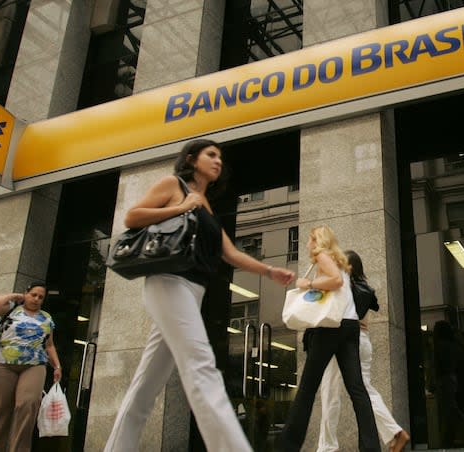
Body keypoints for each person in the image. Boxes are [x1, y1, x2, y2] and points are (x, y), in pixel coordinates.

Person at [104, 138, 295, 451]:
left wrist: (269, 272)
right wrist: (180, 207)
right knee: (202, 365)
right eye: (211, 154)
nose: (218, 161)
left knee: (146, 385)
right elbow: (132, 217)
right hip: (168, 281)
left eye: (220, 157)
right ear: (191, 159)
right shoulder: (174, 185)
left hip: (191, 293)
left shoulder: (206, 206)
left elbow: (230, 253)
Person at [280, 226, 380, 452]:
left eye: (309, 239)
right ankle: (371, 448)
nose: (307, 243)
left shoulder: (321, 256)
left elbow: (335, 281)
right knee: (357, 389)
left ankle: (287, 445)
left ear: (317, 241)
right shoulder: (342, 261)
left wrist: (309, 284)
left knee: (307, 387)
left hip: (330, 327)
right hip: (350, 326)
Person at [316, 250, 410, 452]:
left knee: (330, 393)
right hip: (362, 341)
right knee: (364, 390)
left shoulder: (342, 289)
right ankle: (394, 431)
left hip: (341, 342)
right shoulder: (365, 289)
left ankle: (327, 448)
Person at [0, 281, 62, 452]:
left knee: (27, 405)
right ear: (26, 293)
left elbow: (49, 345)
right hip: (3, 365)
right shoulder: (11, 309)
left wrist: (57, 366)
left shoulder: (46, 318)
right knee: (1, 410)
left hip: (34, 365)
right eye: (33, 294)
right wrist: (16, 297)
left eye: (40, 297)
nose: (36, 299)